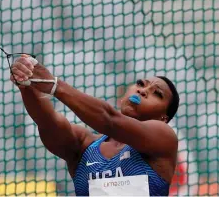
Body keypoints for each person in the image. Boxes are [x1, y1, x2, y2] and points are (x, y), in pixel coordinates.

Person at [10, 54, 180, 196]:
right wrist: (27, 84)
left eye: (157, 93)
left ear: (163, 118)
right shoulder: (85, 146)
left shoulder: (164, 139)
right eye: (140, 84)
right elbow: (48, 122)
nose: (142, 91)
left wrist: (55, 85)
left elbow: (110, 120)